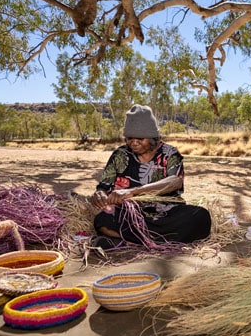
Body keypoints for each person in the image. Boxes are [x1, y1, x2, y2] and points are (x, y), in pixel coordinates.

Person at [90, 104, 211, 249]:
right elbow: (104, 186)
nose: (133, 143)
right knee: (103, 221)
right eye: (129, 138)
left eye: (140, 138)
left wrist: (133, 191)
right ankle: (157, 241)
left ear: (152, 137)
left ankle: (131, 241)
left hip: (167, 214)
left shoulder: (169, 153)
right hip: (130, 215)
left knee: (200, 217)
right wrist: (100, 195)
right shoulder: (120, 155)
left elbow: (175, 181)